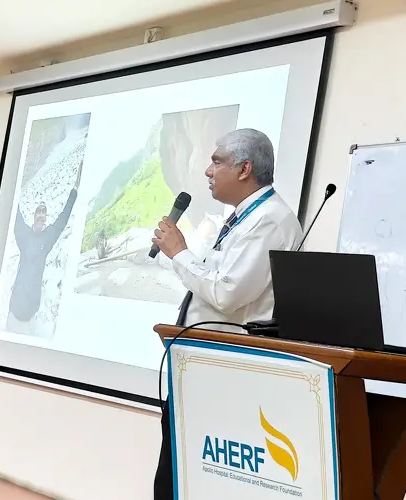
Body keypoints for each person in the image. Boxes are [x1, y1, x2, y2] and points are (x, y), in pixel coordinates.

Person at [149, 128, 303, 500]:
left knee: (190, 478)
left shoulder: (271, 219)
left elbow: (226, 291)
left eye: (217, 162)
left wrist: (179, 253)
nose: (207, 171)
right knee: (173, 473)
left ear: (244, 169)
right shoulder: (244, 216)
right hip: (202, 366)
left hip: (226, 373)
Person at [7, 163, 83, 336]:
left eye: (44, 213)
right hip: (14, 312)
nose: (41, 215)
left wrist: (74, 192)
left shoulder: (47, 239)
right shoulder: (23, 235)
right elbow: (15, 213)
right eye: (38, 213)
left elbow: (62, 220)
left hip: (31, 316)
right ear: (33, 217)